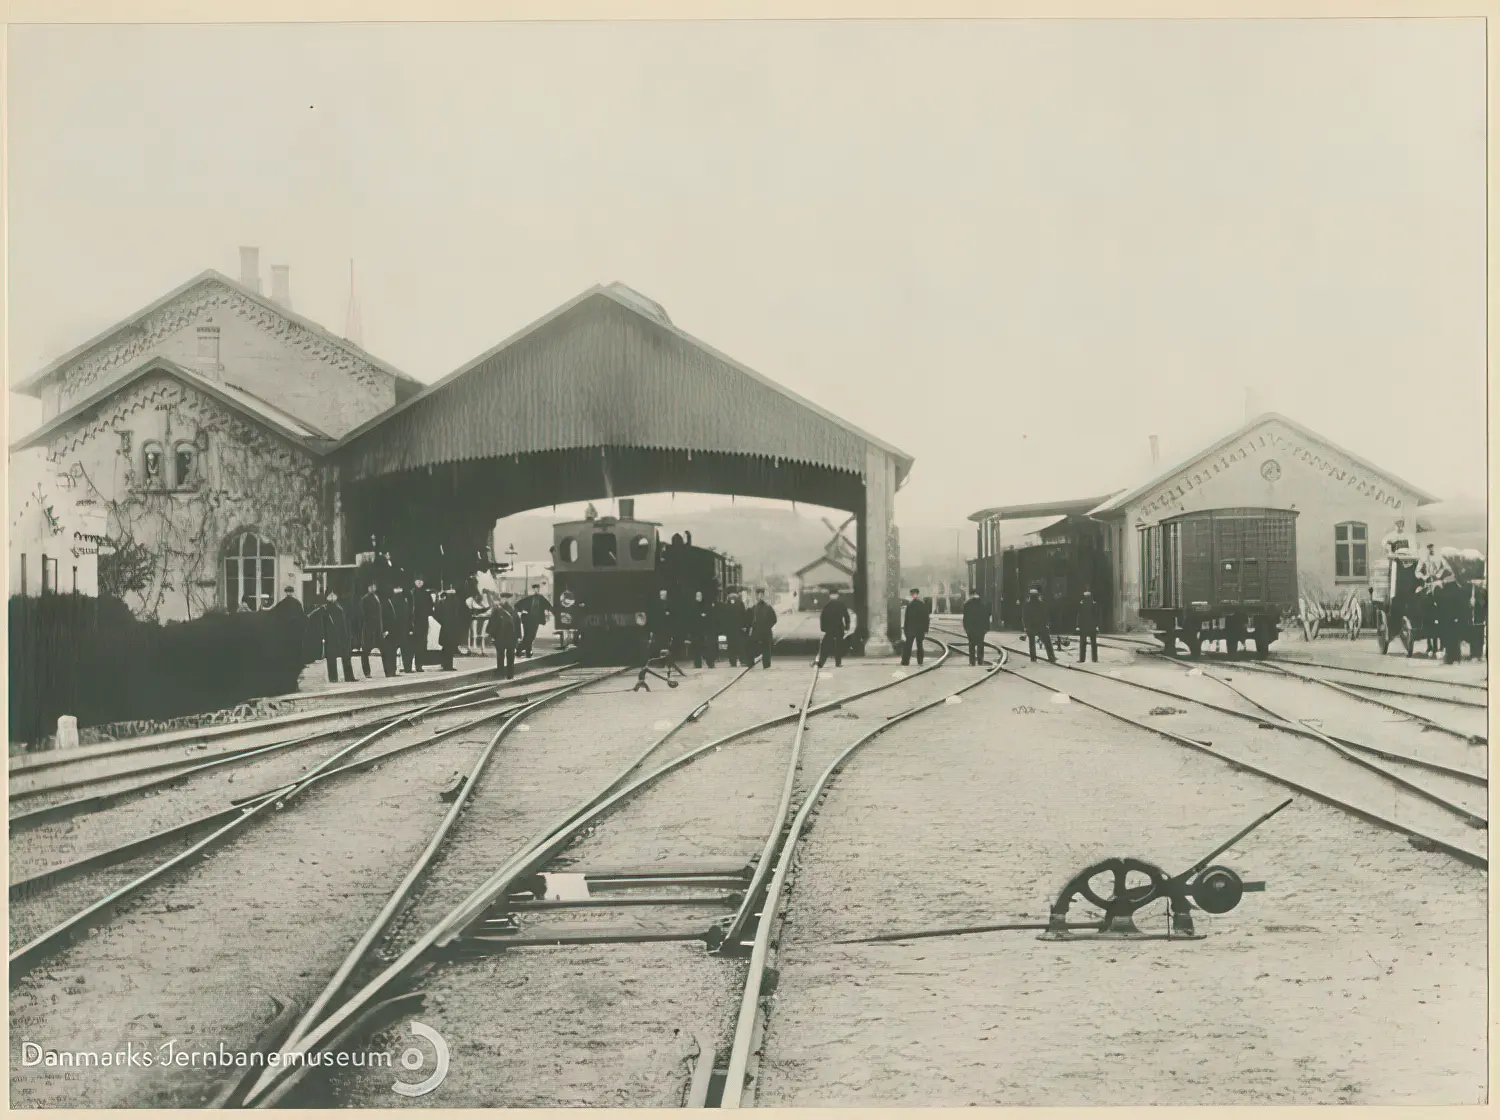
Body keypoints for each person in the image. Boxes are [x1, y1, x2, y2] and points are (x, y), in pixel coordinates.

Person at [319, 590, 355, 683]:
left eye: (333, 595)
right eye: (330, 595)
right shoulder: (329, 609)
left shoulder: (330, 608)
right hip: (335, 636)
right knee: (340, 657)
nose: (332, 597)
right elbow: (323, 625)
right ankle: (344, 677)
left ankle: (336, 678)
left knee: (340, 657)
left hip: (336, 636)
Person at [488, 592, 521, 679]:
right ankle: (500, 673)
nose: (505, 600)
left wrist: (518, 637)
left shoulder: (513, 610)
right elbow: (492, 623)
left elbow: (517, 624)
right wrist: (491, 636)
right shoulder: (497, 610)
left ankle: (510, 674)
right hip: (500, 637)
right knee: (500, 656)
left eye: (507, 598)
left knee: (510, 656)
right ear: (501, 599)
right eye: (503, 598)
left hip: (511, 637)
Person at [817, 588, 852, 669]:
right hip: (839, 628)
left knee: (825, 645)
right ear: (838, 596)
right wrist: (847, 627)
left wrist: (823, 628)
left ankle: (821, 663)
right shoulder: (841, 604)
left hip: (829, 629)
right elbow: (847, 616)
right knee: (838, 646)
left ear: (829, 596)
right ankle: (838, 663)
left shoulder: (827, 605)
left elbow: (823, 617)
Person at [516, 583, 552, 657]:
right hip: (527, 620)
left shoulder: (541, 598)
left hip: (535, 621)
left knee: (531, 636)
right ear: (533, 590)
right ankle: (527, 652)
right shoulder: (528, 598)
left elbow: (549, 606)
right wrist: (522, 611)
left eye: (537, 589)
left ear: (539, 590)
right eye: (535, 589)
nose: (536, 590)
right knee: (527, 636)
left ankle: (520, 649)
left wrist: (551, 612)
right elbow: (517, 605)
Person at [359, 581, 386, 679]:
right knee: (366, 650)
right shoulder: (365, 599)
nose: (372, 588)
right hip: (369, 628)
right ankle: (367, 672)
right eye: (370, 586)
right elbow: (363, 614)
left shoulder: (377, 597)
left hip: (378, 628)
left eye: (373, 586)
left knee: (384, 649)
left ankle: (388, 671)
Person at [436, 589, 468, 671]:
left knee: (446, 647)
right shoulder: (456, 603)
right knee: (449, 648)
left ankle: (445, 664)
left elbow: (437, 614)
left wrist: (442, 622)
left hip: (445, 628)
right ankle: (448, 665)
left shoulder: (443, 603)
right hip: (452, 629)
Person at [1023, 586, 1056, 663]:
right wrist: (1047, 624)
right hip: (1042, 626)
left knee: (1032, 643)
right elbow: (1046, 615)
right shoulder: (1042, 604)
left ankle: (1033, 658)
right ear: (1037, 595)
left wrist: (1026, 627)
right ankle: (1051, 657)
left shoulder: (1027, 605)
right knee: (1047, 642)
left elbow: (1025, 617)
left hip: (1031, 626)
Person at [747, 588, 777, 669]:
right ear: (756, 596)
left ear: (763, 595)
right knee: (752, 648)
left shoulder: (768, 608)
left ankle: (766, 665)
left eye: (761, 595)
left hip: (765, 632)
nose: (760, 597)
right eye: (758, 595)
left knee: (766, 649)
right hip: (756, 631)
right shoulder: (753, 608)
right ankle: (750, 663)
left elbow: (774, 619)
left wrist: (767, 626)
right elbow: (749, 619)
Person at [901, 587, 931, 666]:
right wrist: (925, 629)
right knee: (919, 645)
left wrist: (905, 629)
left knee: (908, 645)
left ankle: (905, 661)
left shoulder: (910, 606)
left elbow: (906, 619)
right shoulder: (922, 605)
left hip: (911, 629)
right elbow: (926, 618)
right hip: (919, 629)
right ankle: (920, 661)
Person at [719, 590, 750, 667]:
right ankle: (741, 660)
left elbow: (723, 618)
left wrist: (724, 629)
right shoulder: (740, 603)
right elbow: (744, 615)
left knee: (732, 646)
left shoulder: (726, 604)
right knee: (739, 645)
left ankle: (733, 661)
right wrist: (744, 626)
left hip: (731, 629)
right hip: (737, 629)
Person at [961, 588, 991, 666]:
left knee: (971, 645)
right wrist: (986, 628)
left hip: (970, 628)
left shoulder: (967, 604)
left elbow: (965, 618)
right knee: (980, 644)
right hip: (981, 628)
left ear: (971, 595)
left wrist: (966, 627)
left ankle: (972, 661)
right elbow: (986, 617)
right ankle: (980, 661)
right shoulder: (983, 604)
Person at [390, 582, 414, 673]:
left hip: (398, 627)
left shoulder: (393, 599)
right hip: (402, 627)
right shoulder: (405, 599)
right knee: (405, 649)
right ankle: (407, 668)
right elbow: (410, 613)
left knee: (395, 649)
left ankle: (393, 669)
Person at [410, 577, 434, 671]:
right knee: (412, 643)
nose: (419, 582)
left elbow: (430, 606)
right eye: (417, 580)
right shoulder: (411, 592)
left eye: (421, 580)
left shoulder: (426, 593)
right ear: (414, 582)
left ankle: (419, 665)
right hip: (413, 622)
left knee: (422, 643)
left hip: (423, 621)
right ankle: (409, 665)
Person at [646, 587, 675, 662]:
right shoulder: (656, 604)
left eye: (664, 595)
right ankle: (658, 660)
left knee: (666, 644)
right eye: (662, 595)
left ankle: (666, 659)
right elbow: (655, 616)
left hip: (666, 627)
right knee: (658, 644)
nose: (663, 596)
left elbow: (673, 614)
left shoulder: (669, 603)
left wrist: (669, 613)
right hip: (659, 627)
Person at [691, 590, 716, 668]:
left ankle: (710, 663)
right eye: (698, 596)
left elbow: (709, 614)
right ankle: (697, 663)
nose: (699, 597)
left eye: (700, 596)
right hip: (696, 630)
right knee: (697, 647)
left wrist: (705, 615)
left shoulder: (705, 605)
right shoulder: (693, 605)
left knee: (707, 646)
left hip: (705, 629)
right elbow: (691, 617)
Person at [1076, 590, 1100, 663]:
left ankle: (1082, 659)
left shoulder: (1082, 603)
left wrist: (1078, 626)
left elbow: (1079, 615)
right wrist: (1097, 625)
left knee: (1083, 644)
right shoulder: (1094, 603)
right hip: (1092, 626)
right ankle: (1094, 659)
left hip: (1084, 626)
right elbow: (1096, 615)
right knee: (1094, 644)